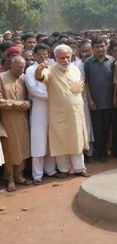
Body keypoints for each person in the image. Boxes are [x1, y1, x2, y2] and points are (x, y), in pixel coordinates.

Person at [35, 44, 90, 178]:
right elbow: (39, 77)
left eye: (67, 57)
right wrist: (39, 68)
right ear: (55, 58)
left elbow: (79, 86)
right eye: (61, 58)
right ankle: (64, 170)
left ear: (71, 57)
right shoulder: (50, 70)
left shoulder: (76, 69)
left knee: (77, 141)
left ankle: (79, 168)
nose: (65, 60)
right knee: (61, 141)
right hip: (58, 114)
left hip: (75, 113)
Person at [25, 43, 57, 184]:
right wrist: (54, 96)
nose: (44, 56)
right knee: (38, 141)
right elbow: (33, 90)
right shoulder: (30, 70)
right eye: (41, 54)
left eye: (46, 54)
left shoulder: (52, 68)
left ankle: (50, 170)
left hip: (53, 108)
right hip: (39, 108)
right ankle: (37, 175)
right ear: (34, 55)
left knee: (51, 140)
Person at [0, 56, 32, 192]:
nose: (22, 70)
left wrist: (28, 103)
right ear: (11, 66)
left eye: (23, 67)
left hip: (23, 119)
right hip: (7, 120)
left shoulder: (24, 78)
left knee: (23, 148)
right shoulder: (1, 78)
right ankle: (10, 179)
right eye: (19, 67)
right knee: (10, 150)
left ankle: (19, 176)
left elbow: (30, 96)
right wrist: (19, 104)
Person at [84, 36, 115, 163]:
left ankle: (109, 151)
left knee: (108, 129)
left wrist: (114, 98)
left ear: (106, 46)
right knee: (98, 129)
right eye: (97, 47)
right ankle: (100, 153)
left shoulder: (112, 61)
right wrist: (90, 100)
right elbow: (86, 83)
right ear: (93, 48)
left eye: (102, 46)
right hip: (95, 102)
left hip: (110, 101)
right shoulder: (88, 63)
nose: (100, 49)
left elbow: (116, 82)